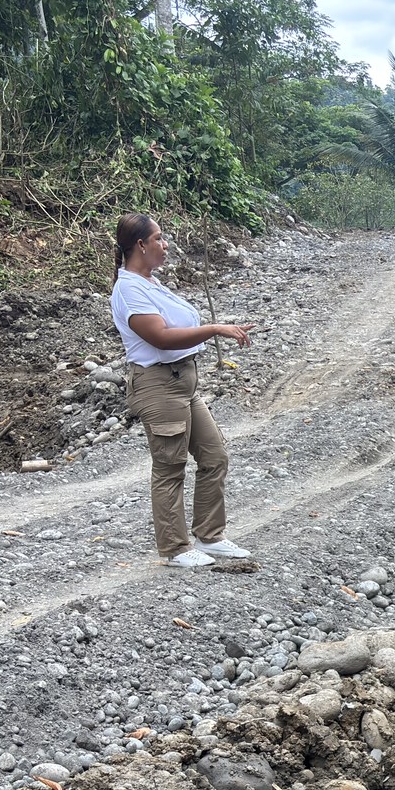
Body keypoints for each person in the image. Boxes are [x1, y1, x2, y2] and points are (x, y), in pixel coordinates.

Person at [109, 213, 256, 567]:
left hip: (183, 382)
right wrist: (215, 329)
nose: (165, 245)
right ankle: (175, 549)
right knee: (170, 467)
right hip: (158, 384)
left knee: (214, 455)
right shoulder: (128, 289)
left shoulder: (150, 282)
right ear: (140, 245)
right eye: (159, 239)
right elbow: (160, 337)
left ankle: (209, 536)